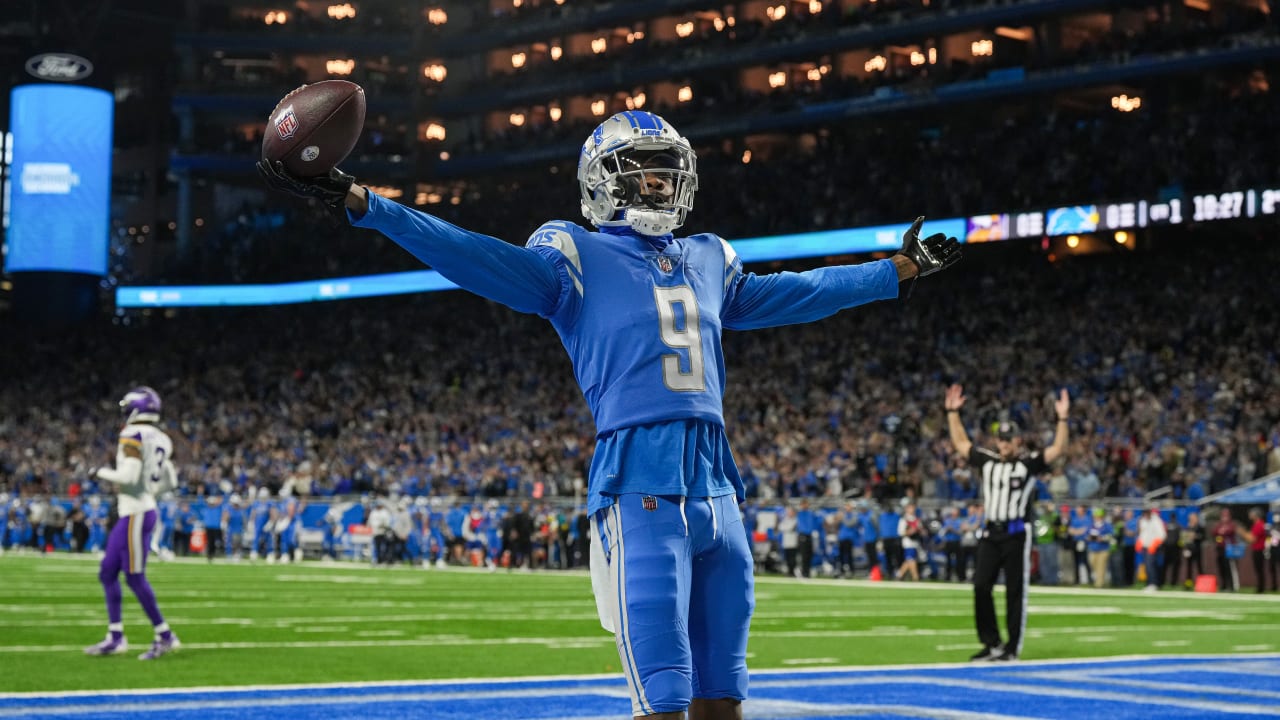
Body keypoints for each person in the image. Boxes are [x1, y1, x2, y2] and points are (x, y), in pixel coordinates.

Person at [259, 109, 960, 719]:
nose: (658, 184)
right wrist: (367, 203)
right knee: (662, 697)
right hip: (639, 488)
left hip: (720, 491)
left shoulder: (711, 257)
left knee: (726, 696)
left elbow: (802, 291)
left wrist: (893, 271)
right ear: (605, 180)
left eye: (666, 172)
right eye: (643, 171)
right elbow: (473, 256)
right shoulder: (572, 253)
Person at [945, 384, 1069, 662]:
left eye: (1007, 440)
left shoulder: (1027, 465)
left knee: (1015, 591)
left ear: (1017, 443)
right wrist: (952, 413)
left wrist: (1062, 419)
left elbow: (1057, 449)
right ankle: (991, 643)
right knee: (980, 586)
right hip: (991, 532)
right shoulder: (988, 462)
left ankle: (1012, 648)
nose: (1002, 444)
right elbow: (962, 444)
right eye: (1000, 440)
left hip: (1016, 534)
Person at [83, 387, 181, 660]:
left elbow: (129, 476)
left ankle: (165, 635)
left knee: (134, 577)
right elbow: (170, 481)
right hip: (136, 512)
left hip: (136, 514)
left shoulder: (132, 434)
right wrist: (149, 493)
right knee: (107, 572)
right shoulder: (162, 438)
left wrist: (97, 472)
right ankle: (116, 636)